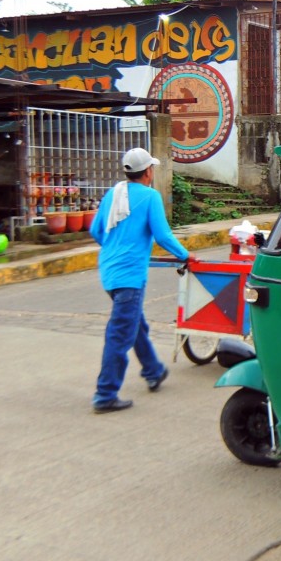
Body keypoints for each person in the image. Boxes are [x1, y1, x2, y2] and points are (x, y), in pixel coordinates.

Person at [89, 147, 193, 414]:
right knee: (119, 334)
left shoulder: (113, 194)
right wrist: (185, 255)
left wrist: (115, 248)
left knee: (135, 324)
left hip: (109, 272)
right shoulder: (149, 197)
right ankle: (105, 394)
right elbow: (163, 236)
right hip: (129, 276)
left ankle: (153, 370)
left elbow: (96, 231)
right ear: (148, 171)